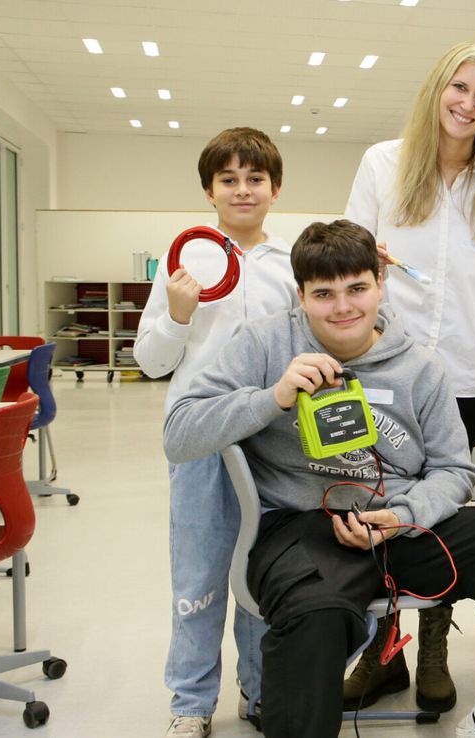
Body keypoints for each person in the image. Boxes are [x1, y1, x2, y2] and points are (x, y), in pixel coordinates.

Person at [162, 219, 475, 738]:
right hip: (303, 528)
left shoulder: (419, 366)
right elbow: (179, 433)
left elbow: (455, 471)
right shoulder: (262, 343)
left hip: (399, 523)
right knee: (314, 615)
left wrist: (402, 517)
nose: (343, 307)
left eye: (357, 289)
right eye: (323, 294)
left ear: (380, 284)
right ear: (300, 295)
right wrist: (272, 398)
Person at [341, 40, 475, 714]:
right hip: (384, 368)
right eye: (460, 88)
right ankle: (379, 646)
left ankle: (432, 650)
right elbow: (347, 258)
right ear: (437, 89)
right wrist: (367, 259)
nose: (468, 104)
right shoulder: (383, 164)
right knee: (379, 504)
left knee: (439, 514)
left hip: (468, 378)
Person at [134, 127, 299, 738]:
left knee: (262, 571)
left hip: (273, 440)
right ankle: (192, 703)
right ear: (209, 190)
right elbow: (149, 360)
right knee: (199, 577)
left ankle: (259, 694)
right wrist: (178, 314)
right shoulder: (185, 260)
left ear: (275, 189)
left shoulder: (290, 266)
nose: (243, 189)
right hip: (202, 440)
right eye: (228, 179)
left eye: (255, 178)